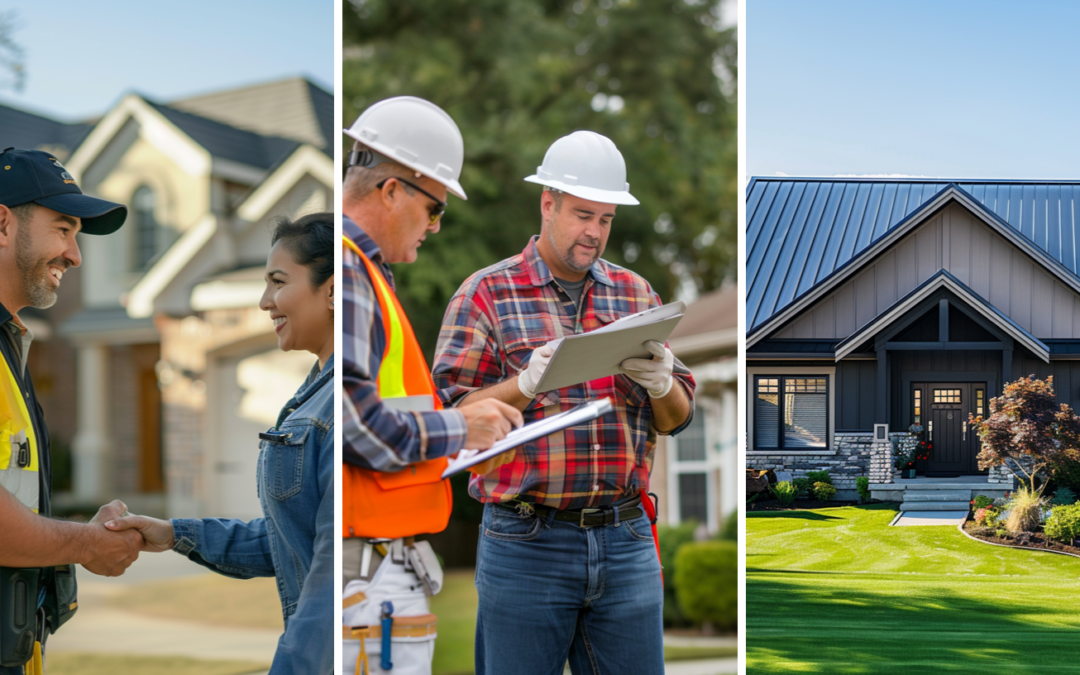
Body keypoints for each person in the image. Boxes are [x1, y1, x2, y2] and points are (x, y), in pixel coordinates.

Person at [432, 131, 696, 675]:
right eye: (582, 215)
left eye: (605, 219)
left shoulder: (637, 297)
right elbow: (448, 419)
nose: (594, 233)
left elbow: (679, 418)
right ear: (547, 203)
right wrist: (524, 385)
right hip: (526, 541)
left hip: (625, 540)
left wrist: (663, 382)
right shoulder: (485, 294)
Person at [106, 213, 334, 674]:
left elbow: (332, 573)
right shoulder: (311, 396)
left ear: (331, 290)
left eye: (278, 281)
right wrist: (174, 534)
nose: (264, 301)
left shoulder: (339, 403)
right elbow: (288, 542)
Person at [340, 96, 522, 675]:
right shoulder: (348, 270)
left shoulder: (367, 275)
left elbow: (386, 416)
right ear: (391, 191)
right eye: (435, 207)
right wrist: (462, 425)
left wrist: (461, 446)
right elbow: (352, 421)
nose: (437, 226)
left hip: (378, 574)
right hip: (367, 577)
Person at [0, 147, 144, 675]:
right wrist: (85, 543)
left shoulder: (9, 343)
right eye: (63, 229)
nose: (75, 255)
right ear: (2, 223)